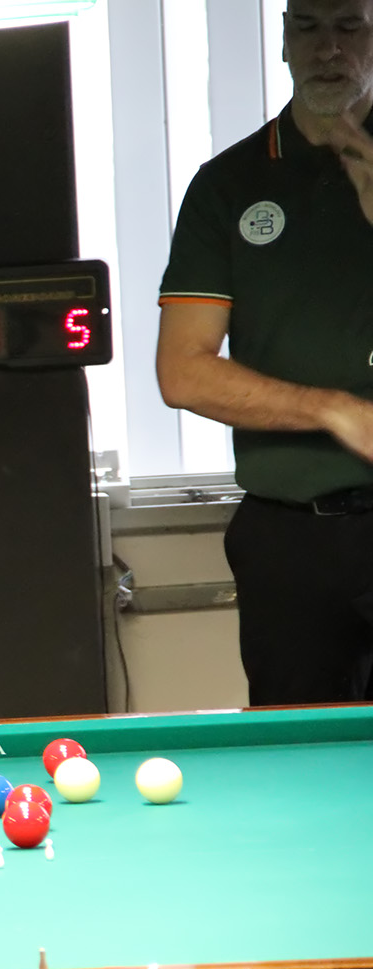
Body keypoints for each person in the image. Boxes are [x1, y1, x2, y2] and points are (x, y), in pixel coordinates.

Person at [157, 0, 373, 705]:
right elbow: (182, 372)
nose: (328, 47)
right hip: (290, 535)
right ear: (283, 41)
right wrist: (335, 410)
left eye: (349, 26)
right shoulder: (228, 184)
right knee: (298, 748)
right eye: (308, 27)